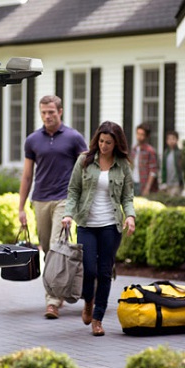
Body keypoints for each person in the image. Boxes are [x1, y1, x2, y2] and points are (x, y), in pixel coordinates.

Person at [62, 121, 136, 336]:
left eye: (109, 143)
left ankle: (98, 318)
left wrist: (130, 216)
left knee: (104, 272)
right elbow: (73, 191)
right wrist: (68, 214)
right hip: (86, 223)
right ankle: (88, 302)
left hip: (110, 226)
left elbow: (127, 196)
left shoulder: (122, 165)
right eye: (101, 141)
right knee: (89, 269)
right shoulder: (84, 161)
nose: (104, 146)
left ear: (116, 144)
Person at [19, 95, 88, 320]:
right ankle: (59, 289)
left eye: (51, 112)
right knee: (48, 251)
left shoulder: (74, 138)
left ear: (60, 111)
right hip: (40, 199)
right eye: (43, 112)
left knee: (58, 247)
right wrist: (21, 208)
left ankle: (52, 301)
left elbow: (85, 171)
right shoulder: (32, 140)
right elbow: (27, 176)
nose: (47, 116)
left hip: (64, 199)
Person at [131, 123, 158, 196]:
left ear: (147, 136)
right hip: (134, 182)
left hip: (143, 184)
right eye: (138, 134)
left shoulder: (150, 151)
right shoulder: (134, 149)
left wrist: (147, 187)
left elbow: (153, 170)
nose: (139, 137)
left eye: (142, 134)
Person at [160, 130, 183, 196]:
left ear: (177, 140)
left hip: (177, 183)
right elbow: (164, 168)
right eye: (169, 139)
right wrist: (163, 182)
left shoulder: (179, 153)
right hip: (168, 183)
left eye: (173, 139)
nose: (171, 141)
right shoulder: (166, 153)